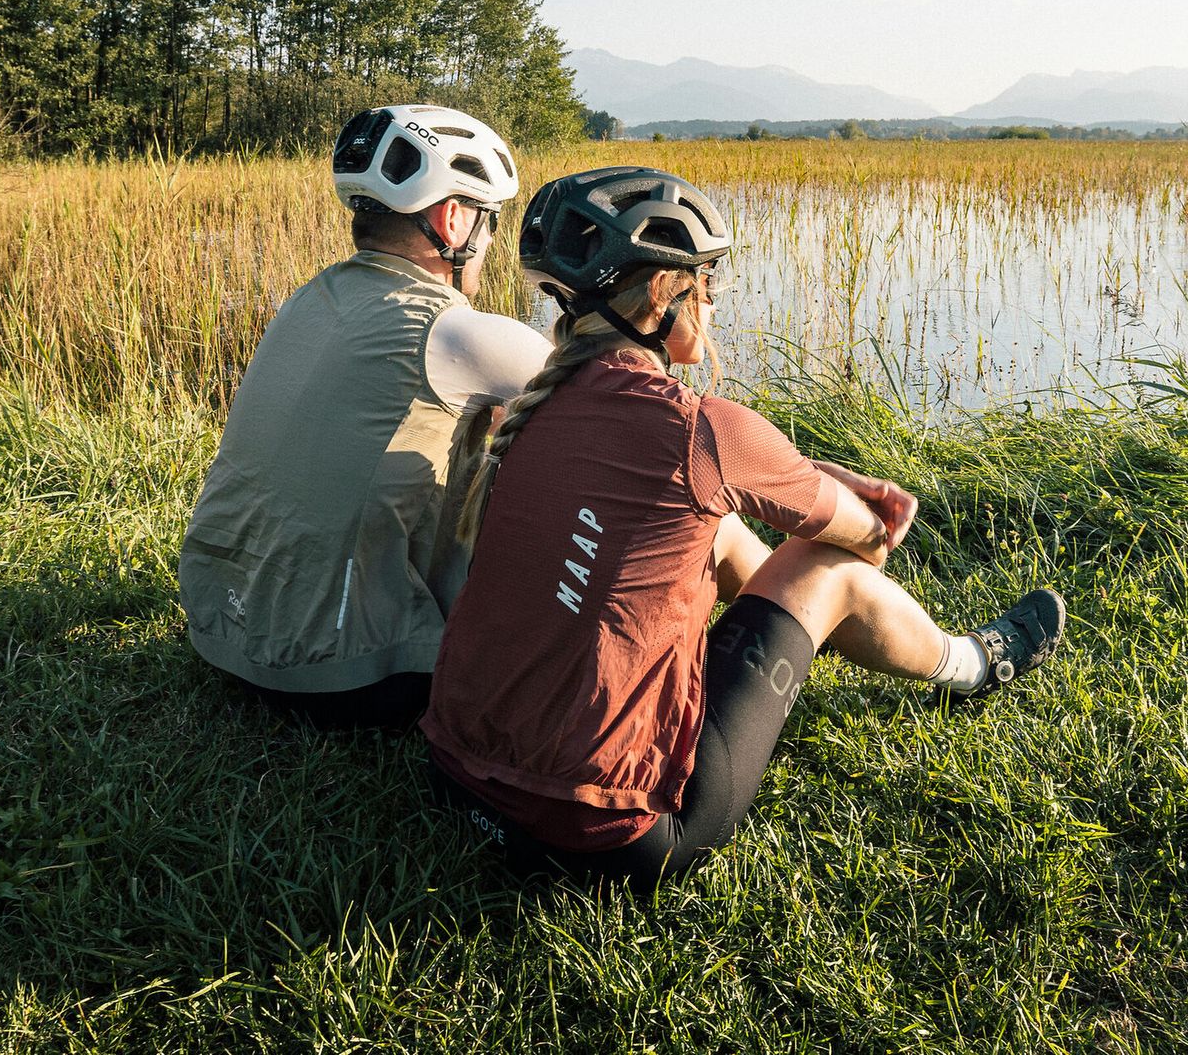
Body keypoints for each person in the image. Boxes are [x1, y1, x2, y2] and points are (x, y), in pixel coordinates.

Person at [420, 166, 1066, 884]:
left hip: (456, 780)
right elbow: (866, 538)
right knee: (825, 570)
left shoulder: (527, 412)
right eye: (707, 282)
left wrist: (780, 476)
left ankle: (800, 633)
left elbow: (680, 487)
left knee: (714, 525)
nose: (712, 301)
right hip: (609, 835)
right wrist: (829, 498)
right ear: (663, 293)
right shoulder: (703, 430)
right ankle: (972, 663)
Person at [178, 106, 551, 729]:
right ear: (452, 219)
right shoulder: (455, 330)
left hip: (218, 626)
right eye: (489, 221)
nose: (489, 242)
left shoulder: (310, 297)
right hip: (348, 678)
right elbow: (611, 406)